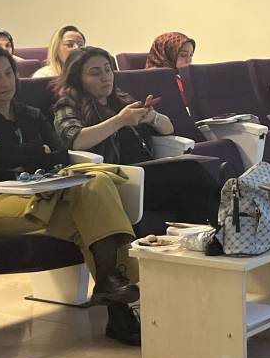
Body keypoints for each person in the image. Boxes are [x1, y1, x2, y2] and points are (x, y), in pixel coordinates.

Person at [0, 43, 143, 345]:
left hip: (43, 194)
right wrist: (34, 151)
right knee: (92, 206)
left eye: (8, 74)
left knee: (95, 188)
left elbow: (60, 154)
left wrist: (19, 153)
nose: (5, 82)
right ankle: (118, 298)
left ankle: (114, 300)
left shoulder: (29, 114)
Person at [51, 46, 221, 225]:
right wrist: (120, 120)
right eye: (95, 73)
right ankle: (221, 229)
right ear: (77, 79)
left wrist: (152, 117)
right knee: (190, 174)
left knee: (194, 184)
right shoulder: (67, 104)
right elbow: (76, 140)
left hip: (144, 171)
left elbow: (168, 129)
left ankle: (213, 231)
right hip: (114, 179)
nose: (105, 77)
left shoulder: (120, 98)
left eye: (108, 70)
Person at [145, 31, 195, 103]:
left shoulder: (180, 77)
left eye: (191, 55)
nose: (189, 61)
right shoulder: (151, 80)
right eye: (183, 55)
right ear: (167, 54)